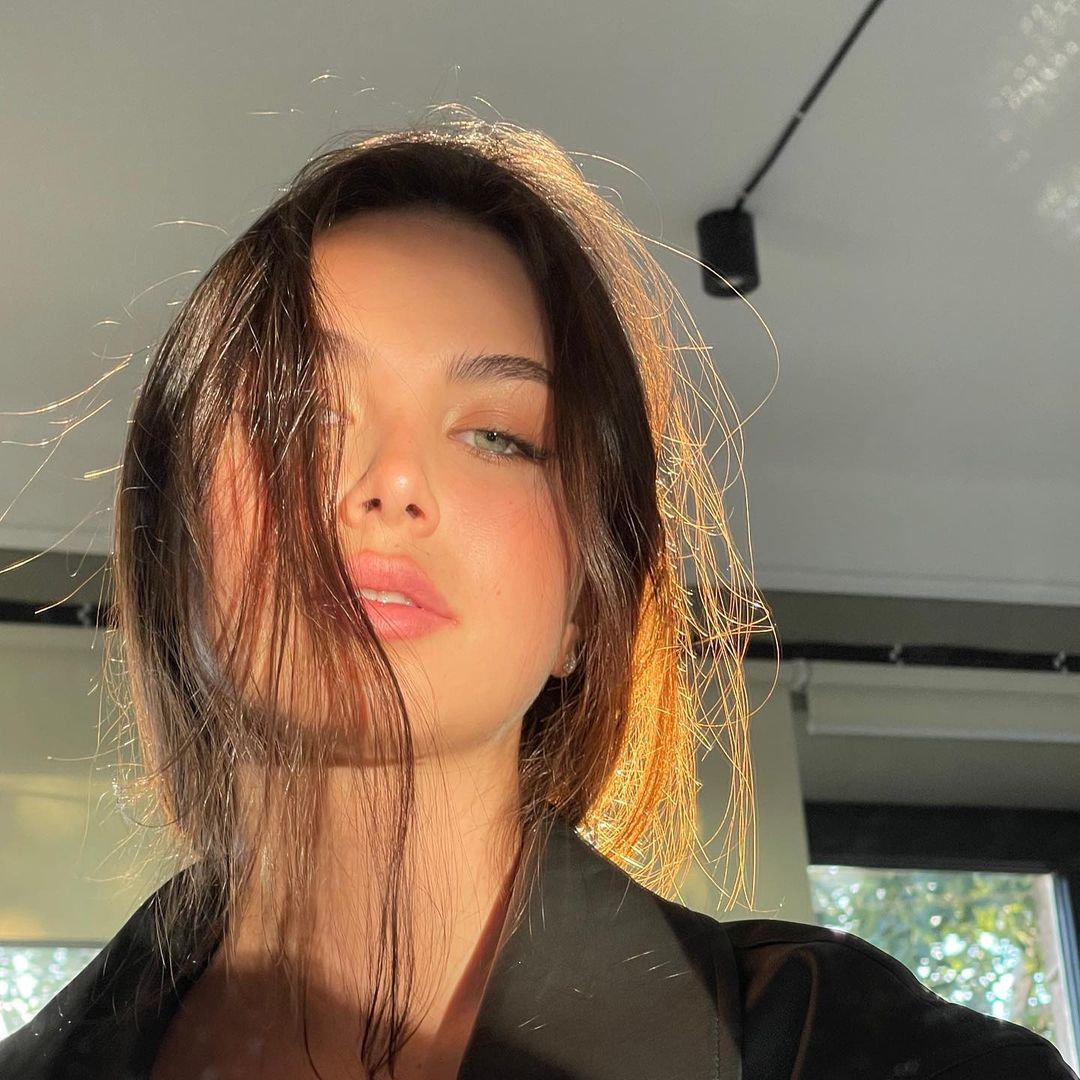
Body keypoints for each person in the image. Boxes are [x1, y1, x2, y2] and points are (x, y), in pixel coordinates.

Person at [1, 111, 1075, 1080]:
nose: (394, 482)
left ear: (585, 608)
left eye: (499, 437)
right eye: (300, 413)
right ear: (172, 537)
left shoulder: (860, 1056)